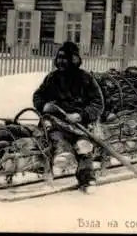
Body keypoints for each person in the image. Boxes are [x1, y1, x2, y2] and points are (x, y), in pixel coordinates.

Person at [33, 41, 105, 192]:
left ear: (74, 59)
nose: (60, 61)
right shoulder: (52, 78)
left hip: (80, 125)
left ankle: (87, 179)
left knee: (84, 146)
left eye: (64, 58)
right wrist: (44, 106)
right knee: (56, 137)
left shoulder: (85, 79)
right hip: (56, 122)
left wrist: (80, 115)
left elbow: (98, 104)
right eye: (59, 58)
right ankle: (62, 158)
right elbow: (38, 96)